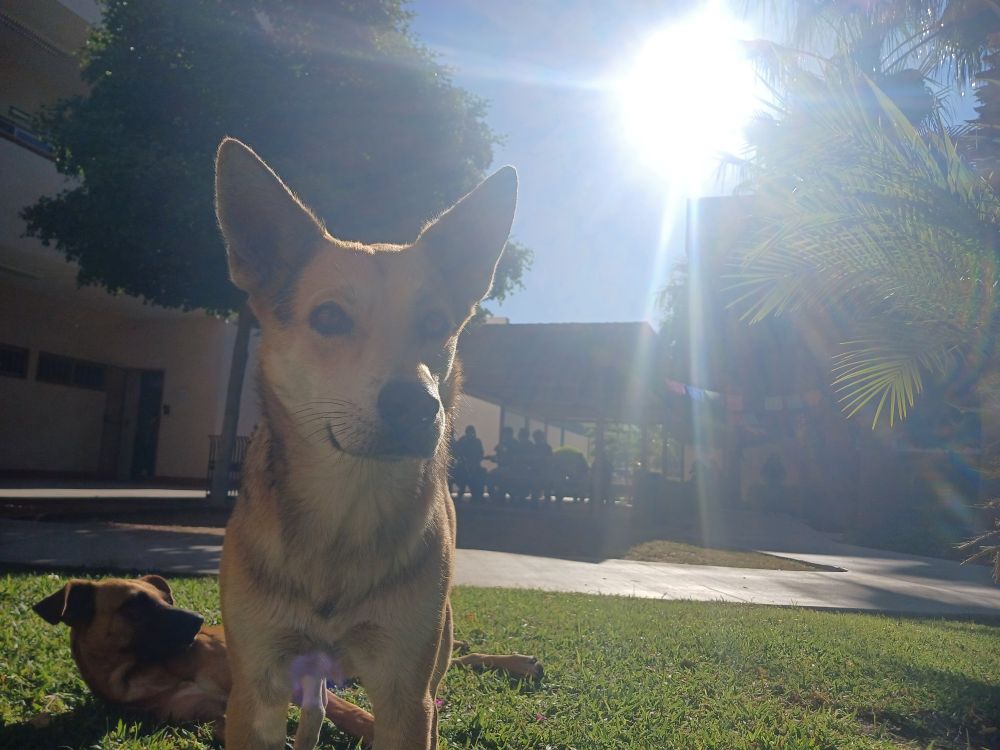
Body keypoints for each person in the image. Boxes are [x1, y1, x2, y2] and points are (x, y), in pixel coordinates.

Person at [452, 425, 486, 500]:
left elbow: (480, 454)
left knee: (479, 477)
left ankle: (476, 494)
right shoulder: (463, 440)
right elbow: (456, 451)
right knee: (457, 475)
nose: (470, 435)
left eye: (472, 433)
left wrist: (474, 463)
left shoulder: (477, 442)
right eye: (469, 433)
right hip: (462, 467)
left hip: (474, 467)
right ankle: (461, 490)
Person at [531, 429, 553, 502]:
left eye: (538, 437)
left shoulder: (547, 447)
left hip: (544, 471)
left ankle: (545, 505)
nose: (536, 439)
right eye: (535, 438)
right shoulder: (534, 447)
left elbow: (549, 460)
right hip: (536, 471)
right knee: (535, 491)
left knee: (545, 490)